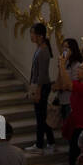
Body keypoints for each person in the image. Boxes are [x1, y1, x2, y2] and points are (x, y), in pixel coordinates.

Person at [29, 23, 54, 151]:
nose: (31, 36)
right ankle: (50, 142)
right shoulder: (40, 48)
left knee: (41, 117)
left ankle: (40, 145)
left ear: (40, 35)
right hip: (39, 86)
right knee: (41, 116)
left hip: (42, 87)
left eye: (33, 33)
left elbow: (42, 74)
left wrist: (38, 91)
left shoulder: (43, 51)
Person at [56, 38, 83, 124]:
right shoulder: (64, 63)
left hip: (70, 101)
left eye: (67, 47)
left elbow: (73, 85)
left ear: (72, 49)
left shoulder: (77, 64)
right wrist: (61, 65)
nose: (64, 50)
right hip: (62, 99)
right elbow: (59, 81)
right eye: (63, 47)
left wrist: (63, 86)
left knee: (70, 125)